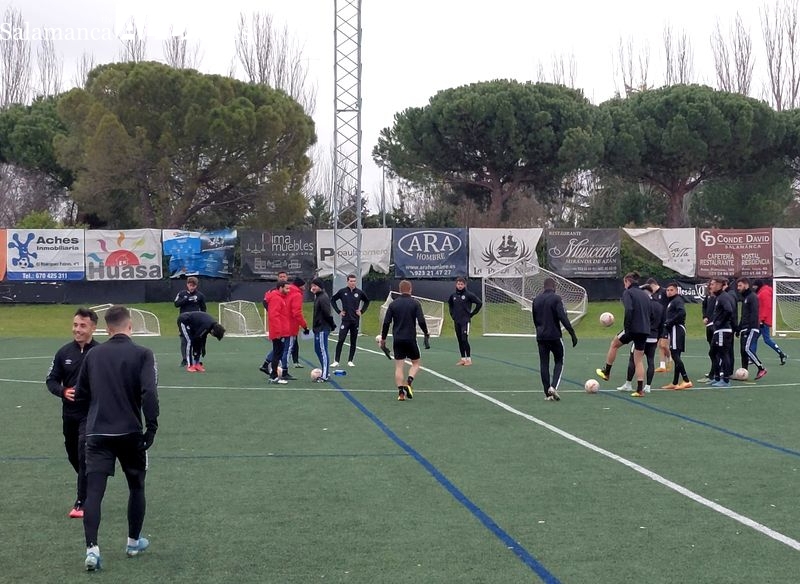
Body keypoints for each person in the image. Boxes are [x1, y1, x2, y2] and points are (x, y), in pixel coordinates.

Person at [73, 305, 159, 571]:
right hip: (130, 432)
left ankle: (92, 549)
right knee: (136, 486)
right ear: (129, 326)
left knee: (94, 492)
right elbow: (149, 392)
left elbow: (81, 393)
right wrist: (152, 426)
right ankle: (133, 542)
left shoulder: (93, 354)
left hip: (97, 432)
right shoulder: (143, 354)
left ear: (107, 329)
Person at [45, 307, 100, 519]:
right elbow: (51, 380)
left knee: (84, 451)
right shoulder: (63, 353)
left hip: (91, 413)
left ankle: (81, 502)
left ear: (93, 328)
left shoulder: (100, 353)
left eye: (83, 326)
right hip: (69, 413)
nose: (77, 329)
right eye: (75, 325)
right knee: (72, 453)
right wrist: (63, 391)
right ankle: (89, 482)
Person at [596, 272, 651, 397]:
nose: (624, 285)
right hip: (645, 329)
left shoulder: (628, 293)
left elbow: (629, 309)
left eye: (624, 283)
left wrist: (627, 327)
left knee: (614, 344)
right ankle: (640, 390)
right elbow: (650, 312)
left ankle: (606, 372)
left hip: (633, 328)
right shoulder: (645, 295)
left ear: (627, 281)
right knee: (638, 359)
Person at [380, 280, 430, 401]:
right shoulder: (415, 303)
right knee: (416, 363)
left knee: (399, 366)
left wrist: (383, 338)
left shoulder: (393, 304)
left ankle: (401, 393)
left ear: (400, 290)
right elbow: (421, 320)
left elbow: (386, 322)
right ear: (410, 289)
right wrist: (426, 332)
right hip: (410, 338)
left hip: (398, 339)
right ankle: (409, 382)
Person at [531, 277, 577, 401]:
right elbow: (562, 317)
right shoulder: (556, 299)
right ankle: (553, 386)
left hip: (541, 337)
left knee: (544, 363)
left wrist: (539, 331)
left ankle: (547, 393)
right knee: (559, 361)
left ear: (544, 287)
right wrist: (572, 333)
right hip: (554, 336)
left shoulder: (536, 300)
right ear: (554, 287)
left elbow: (535, 319)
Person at [617, 284, 663, 393]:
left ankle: (628, 383)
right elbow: (662, 323)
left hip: (642, 334)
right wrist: (658, 337)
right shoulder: (660, 306)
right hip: (653, 337)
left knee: (634, 360)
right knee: (650, 361)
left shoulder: (645, 304)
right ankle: (648, 386)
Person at [331, 274, 371, 367]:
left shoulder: (359, 292)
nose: (353, 283)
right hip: (345, 320)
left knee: (353, 341)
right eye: (351, 281)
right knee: (341, 339)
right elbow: (333, 300)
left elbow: (367, 301)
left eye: (354, 281)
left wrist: (361, 311)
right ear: (347, 281)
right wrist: (339, 311)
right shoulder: (342, 291)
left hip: (355, 321)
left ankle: (350, 360)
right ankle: (336, 361)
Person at [661, 282, 692, 390]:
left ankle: (686, 380)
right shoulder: (672, 301)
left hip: (676, 328)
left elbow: (682, 313)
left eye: (671, 290)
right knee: (676, 355)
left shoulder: (677, 300)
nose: (669, 292)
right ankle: (675, 382)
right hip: (674, 329)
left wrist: (670, 322)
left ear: (676, 290)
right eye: (667, 290)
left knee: (675, 355)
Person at [707, 277, 736, 387]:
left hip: (723, 330)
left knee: (723, 354)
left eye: (713, 284)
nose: (711, 286)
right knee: (712, 353)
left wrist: (720, 322)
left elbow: (729, 310)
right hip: (718, 330)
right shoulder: (719, 297)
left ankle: (726, 380)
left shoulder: (723, 297)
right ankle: (717, 377)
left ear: (720, 285)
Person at [261, 281, 292, 384]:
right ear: (280, 288)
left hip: (280, 330)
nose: (288, 290)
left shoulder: (279, 298)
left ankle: (273, 375)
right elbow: (274, 316)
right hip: (278, 332)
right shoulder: (276, 299)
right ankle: (274, 376)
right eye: (286, 288)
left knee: (278, 352)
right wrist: (278, 332)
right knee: (277, 353)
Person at [447, 276, 483, 366]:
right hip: (457, 321)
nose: (460, 286)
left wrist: (472, 313)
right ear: (456, 285)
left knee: (464, 339)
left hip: (465, 321)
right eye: (458, 284)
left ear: (465, 285)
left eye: (461, 284)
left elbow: (479, 303)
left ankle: (469, 359)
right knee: (459, 340)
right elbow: (450, 304)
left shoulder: (468, 295)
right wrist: (452, 315)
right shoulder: (453, 296)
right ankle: (463, 359)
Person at [737, 277, 767, 380]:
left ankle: (761, 368)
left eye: (740, 285)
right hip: (744, 328)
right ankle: (744, 372)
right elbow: (744, 316)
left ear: (746, 285)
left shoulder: (752, 297)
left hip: (751, 328)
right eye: (737, 286)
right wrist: (739, 328)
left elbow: (754, 314)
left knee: (747, 349)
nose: (738, 288)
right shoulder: (745, 298)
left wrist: (750, 328)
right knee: (743, 351)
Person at [753, 279, 788, 365]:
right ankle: (752, 357)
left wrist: (762, 320)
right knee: (755, 338)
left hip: (763, 320)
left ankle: (781, 354)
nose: (753, 287)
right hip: (763, 319)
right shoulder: (764, 291)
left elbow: (766, 307)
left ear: (758, 285)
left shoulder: (764, 293)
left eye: (754, 286)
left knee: (766, 339)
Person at [174, 276, 206, 366]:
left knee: (196, 339)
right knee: (184, 339)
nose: (192, 287)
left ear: (196, 286)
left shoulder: (200, 296)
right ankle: (184, 359)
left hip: (195, 321)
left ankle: (196, 359)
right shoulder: (181, 294)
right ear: (187, 285)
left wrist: (202, 319)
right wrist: (186, 299)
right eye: (190, 285)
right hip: (184, 320)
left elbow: (203, 309)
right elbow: (176, 304)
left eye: (193, 286)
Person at [310, 278, 337, 382]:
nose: (313, 288)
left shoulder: (323, 297)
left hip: (322, 328)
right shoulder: (318, 297)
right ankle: (326, 372)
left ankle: (325, 375)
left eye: (315, 286)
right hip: (318, 328)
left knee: (322, 351)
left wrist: (332, 325)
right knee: (317, 350)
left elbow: (327, 313)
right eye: (312, 286)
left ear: (320, 286)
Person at [646, 278, 672, 373]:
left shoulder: (665, 292)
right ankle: (662, 365)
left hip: (666, 321)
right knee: (659, 345)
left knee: (663, 345)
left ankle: (670, 357)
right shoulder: (653, 295)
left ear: (653, 285)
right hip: (658, 322)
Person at [698, 282, 718, 383]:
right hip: (709, 325)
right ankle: (714, 372)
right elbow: (704, 307)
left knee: (714, 351)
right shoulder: (708, 297)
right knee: (712, 350)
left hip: (716, 326)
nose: (711, 287)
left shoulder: (719, 297)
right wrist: (705, 316)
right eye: (710, 285)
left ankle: (714, 374)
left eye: (713, 285)